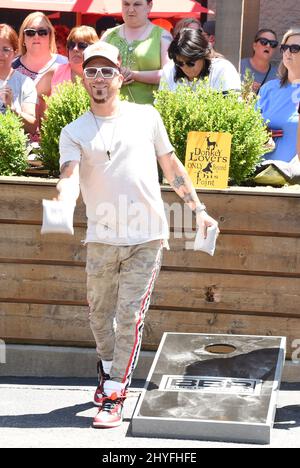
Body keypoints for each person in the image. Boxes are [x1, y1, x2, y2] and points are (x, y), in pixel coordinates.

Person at [57, 41, 218, 429]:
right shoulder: (74, 130)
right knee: (99, 317)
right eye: (91, 71)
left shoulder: (146, 116)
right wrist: (62, 201)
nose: (99, 78)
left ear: (119, 75)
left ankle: (114, 392)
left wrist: (198, 210)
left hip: (146, 236)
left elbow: (171, 166)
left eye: (106, 70)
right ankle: (111, 367)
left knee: (129, 315)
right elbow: (69, 175)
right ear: (83, 78)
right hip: (101, 237)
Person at [101, 0, 173, 104]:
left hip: (150, 111)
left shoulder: (163, 36)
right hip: (110, 109)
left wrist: (134, 75)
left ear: (149, 6)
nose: (130, 9)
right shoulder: (108, 35)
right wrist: (114, 75)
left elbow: (169, 74)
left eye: (137, 4)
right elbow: (95, 69)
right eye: (126, 4)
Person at [257, 28, 300, 162]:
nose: (287, 52)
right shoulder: (268, 89)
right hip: (262, 175)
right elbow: (251, 127)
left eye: (295, 48)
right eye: (285, 47)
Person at [159, 28, 241, 94]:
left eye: (190, 63)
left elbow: (232, 108)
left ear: (203, 55)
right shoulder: (169, 70)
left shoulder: (223, 70)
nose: (185, 68)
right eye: (179, 63)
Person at [37, 26, 98, 100]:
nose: (75, 49)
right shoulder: (54, 72)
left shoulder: (101, 75)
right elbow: (37, 97)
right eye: (71, 45)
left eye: (82, 45)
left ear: (94, 48)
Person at [0, 24, 37, 134]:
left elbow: (32, 126)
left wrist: (12, 108)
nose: (0, 54)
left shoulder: (25, 83)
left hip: (14, 150)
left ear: (15, 52)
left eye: (5, 49)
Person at [12, 11, 68, 83]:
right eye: (30, 32)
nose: (36, 36)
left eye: (42, 32)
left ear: (50, 36)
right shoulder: (11, 68)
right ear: (23, 38)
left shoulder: (65, 65)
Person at [241, 29, 278, 93]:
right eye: (263, 42)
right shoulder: (238, 67)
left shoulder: (278, 75)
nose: (268, 46)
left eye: (273, 44)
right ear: (254, 46)